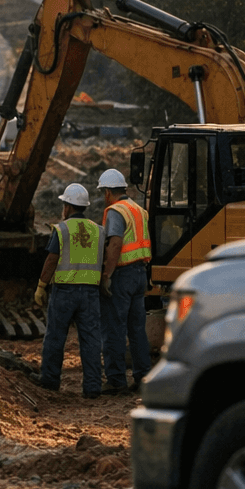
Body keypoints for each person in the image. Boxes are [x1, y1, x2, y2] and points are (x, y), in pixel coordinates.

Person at [33, 183, 103, 398]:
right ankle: (92, 387)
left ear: (68, 206)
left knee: (55, 337)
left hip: (64, 291)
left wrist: (41, 286)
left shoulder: (62, 229)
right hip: (90, 293)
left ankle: (50, 381)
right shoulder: (98, 230)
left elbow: (51, 259)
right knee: (91, 340)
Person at [98, 168, 152, 394]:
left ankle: (116, 380)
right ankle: (143, 378)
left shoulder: (115, 211)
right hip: (140, 274)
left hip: (122, 275)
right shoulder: (139, 210)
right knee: (137, 329)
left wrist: (106, 275)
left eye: (103, 192)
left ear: (108, 192)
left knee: (114, 328)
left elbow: (115, 244)